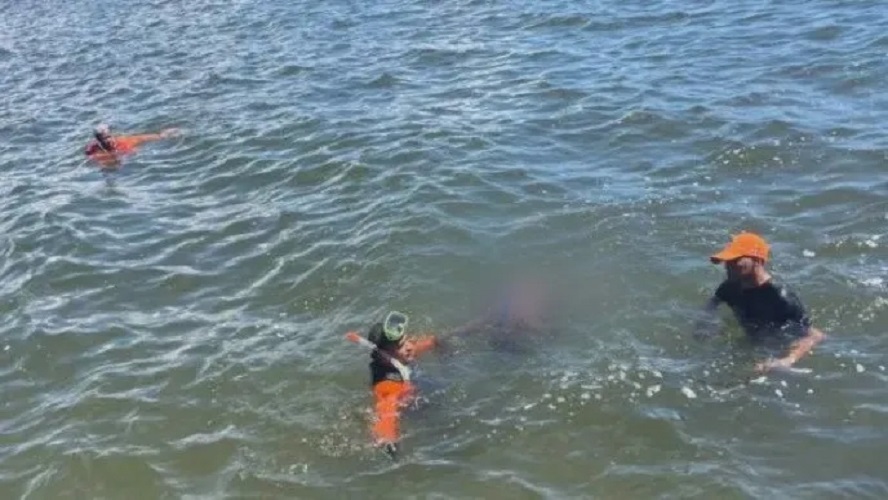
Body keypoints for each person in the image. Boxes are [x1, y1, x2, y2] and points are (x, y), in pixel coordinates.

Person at [697, 231, 825, 372]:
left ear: (757, 261)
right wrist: (706, 324)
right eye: (727, 261)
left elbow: (814, 335)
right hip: (751, 341)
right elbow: (713, 303)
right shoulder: (730, 286)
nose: (728, 266)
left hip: (777, 346)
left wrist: (787, 360)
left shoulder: (781, 296)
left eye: (735, 261)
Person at [365, 311, 438, 458]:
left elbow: (433, 341)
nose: (409, 347)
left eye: (406, 340)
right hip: (416, 414)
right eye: (400, 346)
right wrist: (390, 444)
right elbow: (386, 417)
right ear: (384, 356)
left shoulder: (403, 354)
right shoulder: (388, 386)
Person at [84, 123, 179, 167]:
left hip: (127, 156)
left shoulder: (124, 143)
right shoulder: (93, 149)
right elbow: (91, 158)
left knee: (159, 137)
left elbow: (140, 142)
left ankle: (168, 131)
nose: (107, 140)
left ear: (112, 135)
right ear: (98, 140)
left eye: (108, 137)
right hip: (112, 162)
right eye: (103, 139)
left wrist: (163, 135)